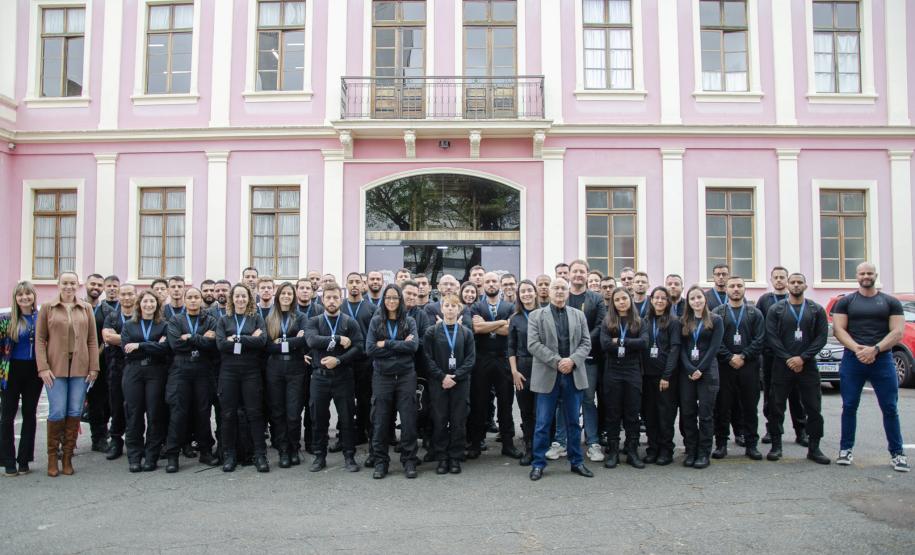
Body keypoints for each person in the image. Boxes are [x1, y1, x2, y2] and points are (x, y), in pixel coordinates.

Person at [831, 262, 909, 472]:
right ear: (856, 276)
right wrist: (858, 349)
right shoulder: (845, 302)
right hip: (853, 359)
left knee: (890, 407)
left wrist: (875, 349)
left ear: (876, 275)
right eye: (862, 273)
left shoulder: (890, 302)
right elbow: (839, 330)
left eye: (870, 273)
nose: (866, 276)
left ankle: (897, 454)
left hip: (882, 360)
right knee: (849, 406)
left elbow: (897, 332)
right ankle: (845, 450)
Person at [527, 278, 593, 481]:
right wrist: (558, 362)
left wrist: (572, 361)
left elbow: (586, 343)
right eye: (555, 288)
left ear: (568, 292)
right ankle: (538, 464)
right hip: (548, 374)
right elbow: (533, 344)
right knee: (543, 423)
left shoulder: (578, 315)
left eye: (563, 288)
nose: (559, 291)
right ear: (548, 291)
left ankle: (577, 462)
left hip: (573, 375)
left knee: (573, 422)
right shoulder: (536, 315)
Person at [36, 272, 100, 477]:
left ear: (78, 285)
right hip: (55, 368)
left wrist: (94, 367)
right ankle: (52, 457)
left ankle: (67, 457)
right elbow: (40, 339)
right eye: (65, 283)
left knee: (74, 411)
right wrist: (43, 367)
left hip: (80, 368)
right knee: (57, 411)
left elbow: (92, 340)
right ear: (58, 284)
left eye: (73, 283)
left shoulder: (86, 308)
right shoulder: (48, 307)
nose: (69, 286)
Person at [765, 273, 830, 465]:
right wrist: (788, 358)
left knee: (813, 407)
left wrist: (803, 358)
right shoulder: (776, 309)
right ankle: (776, 446)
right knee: (776, 407)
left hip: (807, 366)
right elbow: (771, 337)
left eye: (799, 282)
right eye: (792, 282)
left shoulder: (816, 310)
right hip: (782, 365)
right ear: (787, 285)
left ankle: (814, 448)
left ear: (805, 286)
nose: (795, 285)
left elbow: (821, 337)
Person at [305, 282, 363, 473]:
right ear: (322, 300)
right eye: (328, 298)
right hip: (319, 377)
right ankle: (319, 456)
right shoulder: (314, 321)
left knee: (347, 419)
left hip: (343, 376)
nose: (331, 301)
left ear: (341, 299)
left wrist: (338, 360)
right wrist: (337, 339)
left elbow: (358, 347)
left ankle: (349, 456)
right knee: (318, 418)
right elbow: (312, 340)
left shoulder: (349, 322)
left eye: (335, 297)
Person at [365, 284, 420, 479]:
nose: (391, 301)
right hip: (383, 377)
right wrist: (400, 345)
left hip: (405, 376)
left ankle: (409, 460)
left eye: (395, 298)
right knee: (380, 421)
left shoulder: (409, 321)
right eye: (388, 297)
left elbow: (413, 347)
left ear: (400, 300)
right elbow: (371, 349)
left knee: (408, 420)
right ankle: (381, 462)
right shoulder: (376, 321)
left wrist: (386, 344)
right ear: (383, 300)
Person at [164, 287, 219, 472]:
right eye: (190, 297)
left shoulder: (210, 320)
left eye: (196, 297)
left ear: (201, 300)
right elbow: (175, 345)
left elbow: (213, 345)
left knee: (203, 412)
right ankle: (173, 455)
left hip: (203, 370)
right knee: (178, 412)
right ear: (185, 300)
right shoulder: (176, 320)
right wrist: (201, 339)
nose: (193, 300)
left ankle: (205, 452)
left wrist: (190, 337)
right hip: (181, 369)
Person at [215, 284, 269, 473]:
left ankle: (260, 455)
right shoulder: (224, 320)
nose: (240, 299)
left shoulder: (256, 318)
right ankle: (229, 455)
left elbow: (262, 341)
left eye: (243, 296)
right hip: (228, 371)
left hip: (250, 371)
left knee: (254, 413)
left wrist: (236, 338)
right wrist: (248, 338)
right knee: (228, 414)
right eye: (237, 296)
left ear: (249, 298)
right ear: (232, 299)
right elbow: (221, 344)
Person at [467, 272, 521, 460]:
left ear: (499, 284)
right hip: (481, 360)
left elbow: (509, 330)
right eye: (487, 281)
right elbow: (477, 328)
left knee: (506, 403)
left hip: (503, 359)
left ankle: (508, 444)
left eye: (494, 281)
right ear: (483, 285)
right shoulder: (476, 306)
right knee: (479, 403)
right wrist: (500, 322)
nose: (491, 284)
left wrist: (487, 325)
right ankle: (476, 443)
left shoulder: (510, 306)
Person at [712, 276, 765, 460]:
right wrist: (729, 357)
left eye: (739, 286)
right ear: (726, 289)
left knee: (749, 407)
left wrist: (743, 356)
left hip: (749, 367)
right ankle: (721, 444)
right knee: (722, 407)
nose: (736, 289)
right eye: (732, 286)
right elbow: (715, 340)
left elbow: (760, 339)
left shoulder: (755, 313)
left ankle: (751, 445)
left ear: (744, 288)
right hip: (724, 367)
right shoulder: (718, 313)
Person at [423, 294, 475, 474]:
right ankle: (442, 457)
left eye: (454, 306)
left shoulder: (466, 333)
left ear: (459, 309)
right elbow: (427, 358)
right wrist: (442, 377)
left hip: (460, 383)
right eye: (447, 305)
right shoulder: (431, 332)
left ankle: (455, 457)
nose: (450, 309)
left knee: (458, 421)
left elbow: (470, 359)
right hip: (438, 383)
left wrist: (455, 377)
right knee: (439, 420)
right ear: (442, 308)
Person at [757, 266, 807, 446]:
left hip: (796, 356)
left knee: (797, 395)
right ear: (771, 280)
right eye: (775, 277)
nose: (779, 280)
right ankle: (772, 430)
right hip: (772, 356)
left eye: (782, 277)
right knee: (772, 395)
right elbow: (760, 326)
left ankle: (801, 431)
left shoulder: (797, 300)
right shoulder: (764, 300)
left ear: (787, 280)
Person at [121, 290, 171, 472]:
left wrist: (139, 345)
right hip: (134, 371)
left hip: (156, 372)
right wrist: (154, 345)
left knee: (154, 414)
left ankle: (151, 457)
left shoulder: (163, 325)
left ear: (157, 305)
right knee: (134, 414)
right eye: (145, 301)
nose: (149, 305)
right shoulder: (129, 325)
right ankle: (135, 456)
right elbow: (126, 349)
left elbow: (166, 348)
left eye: (152, 302)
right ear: (139, 304)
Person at [600, 287, 648, 469]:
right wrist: (630, 344)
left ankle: (632, 451)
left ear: (630, 300)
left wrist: (620, 341)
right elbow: (605, 344)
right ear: (613, 303)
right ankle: (613, 452)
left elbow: (643, 343)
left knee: (632, 413)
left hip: (632, 370)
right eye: (617, 299)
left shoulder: (639, 321)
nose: (621, 302)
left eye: (624, 298)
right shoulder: (607, 321)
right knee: (613, 412)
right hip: (613, 370)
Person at [679, 285, 724, 469]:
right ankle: (691, 450)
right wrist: (690, 368)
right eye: (692, 298)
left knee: (705, 415)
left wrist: (701, 369)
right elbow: (681, 348)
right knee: (688, 413)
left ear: (705, 299)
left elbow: (714, 348)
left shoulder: (716, 320)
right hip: (687, 373)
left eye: (699, 297)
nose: (696, 301)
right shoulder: (684, 321)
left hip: (708, 372)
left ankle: (704, 452)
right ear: (688, 302)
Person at [0, 282, 43, 476]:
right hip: (11, 371)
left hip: (34, 371)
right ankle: (8, 461)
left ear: (34, 296)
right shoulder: (6, 319)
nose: (25, 298)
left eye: (28, 294)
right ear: (15, 298)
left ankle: (24, 460)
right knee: (7, 416)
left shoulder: (41, 317)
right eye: (20, 295)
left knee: (29, 414)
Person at [567, 259, 607, 463]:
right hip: (565, 358)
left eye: (582, 271)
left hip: (589, 358)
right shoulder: (563, 296)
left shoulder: (596, 299)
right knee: (565, 400)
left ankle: (593, 442)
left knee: (588, 399)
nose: (578, 275)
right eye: (574, 271)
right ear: (569, 274)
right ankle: (563, 441)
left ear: (587, 274)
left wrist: (581, 345)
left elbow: (601, 325)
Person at [642, 286, 681, 466]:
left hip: (665, 377)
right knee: (649, 414)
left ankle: (666, 450)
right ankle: (653, 448)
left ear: (667, 302)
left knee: (665, 415)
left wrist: (667, 375)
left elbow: (675, 349)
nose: (659, 301)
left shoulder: (673, 322)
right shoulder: (645, 321)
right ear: (651, 300)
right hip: (646, 376)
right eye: (656, 298)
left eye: (663, 298)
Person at [101, 283, 137, 460]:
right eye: (123, 294)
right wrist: (136, 340)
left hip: (137, 366)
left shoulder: (141, 316)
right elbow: (107, 337)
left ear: (136, 296)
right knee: (116, 405)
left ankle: (134, 441)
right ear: (119, 296)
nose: (127, 297)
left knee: (135, 406)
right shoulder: (112, 317)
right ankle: (116, 441)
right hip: (116, 366)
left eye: (130, 294)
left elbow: (148, 337)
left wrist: (121, 338)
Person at [343, 272, 377, 448]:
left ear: (364, 285)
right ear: (346, 285)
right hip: (344, 361)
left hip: (365, 361)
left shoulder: (371, 308)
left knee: (365, 399)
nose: (355, 285)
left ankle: (365, 433)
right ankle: (345, 436)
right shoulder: (340, 306)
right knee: (345, 401)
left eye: (358, 282)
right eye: (351, 282)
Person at [508, 280, 538, 466]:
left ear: (535, 293)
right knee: (526, 411)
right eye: (523, 291)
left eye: (529, 290)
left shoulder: (544, 313)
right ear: (519, 296)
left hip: (542, 367)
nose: (526, 294)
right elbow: (511, 347)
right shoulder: (515, 318)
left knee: (541, 411)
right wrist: (514, 371)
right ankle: (529, 447)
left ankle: (541, 446)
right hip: (523, 368)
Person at [84, 273, 114, 452]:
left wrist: (96, 355)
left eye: (99, 285)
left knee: (102, 401)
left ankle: (100, 437)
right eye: (92, 284)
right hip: (78, 360)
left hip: (102, 362)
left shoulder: (107, 311)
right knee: (79, 403)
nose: (95, 287)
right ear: (86, 284)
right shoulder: (77, 306)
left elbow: (108, 336)